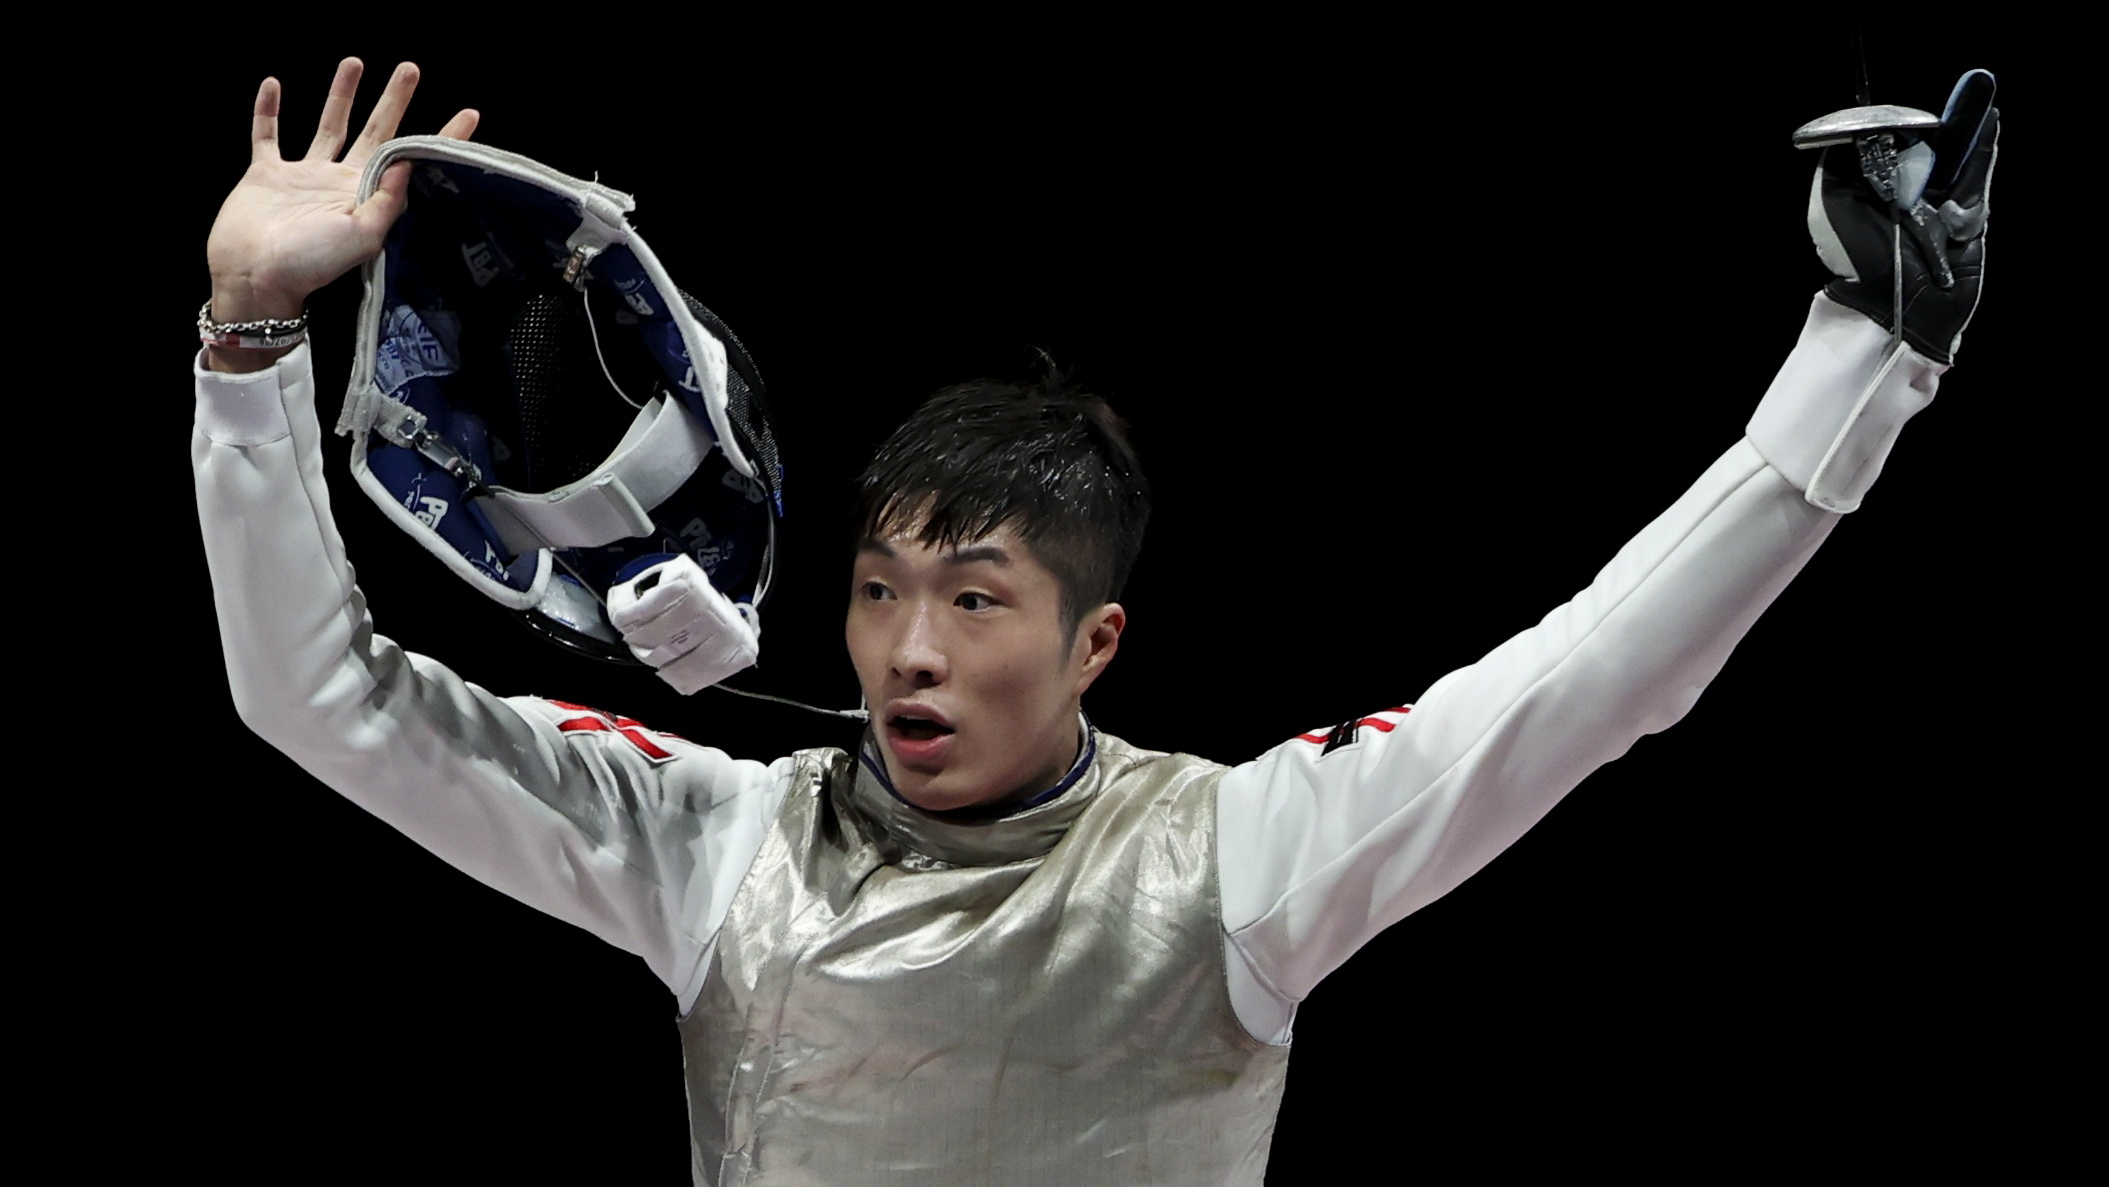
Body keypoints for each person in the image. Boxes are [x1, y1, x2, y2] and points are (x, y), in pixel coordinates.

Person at [193, 59, 1996, 1184]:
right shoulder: (709, 841)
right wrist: (249, 342)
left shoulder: (1235, 859)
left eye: (974, 602)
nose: (907, 649)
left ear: (1095, 645)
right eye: (882, 591)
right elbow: (319, 702)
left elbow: (1601, 671)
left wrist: (1871, 355)